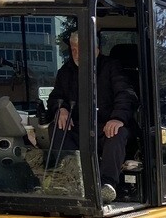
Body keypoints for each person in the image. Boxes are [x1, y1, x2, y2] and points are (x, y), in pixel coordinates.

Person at [48, 31, 138, 203]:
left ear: (96, 50)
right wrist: (61, 109)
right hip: (79, 128)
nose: (76, 54)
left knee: (117, 132)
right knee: (57, 128)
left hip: (106, 126)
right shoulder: (65, 72)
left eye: (81, 49)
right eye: (73, 50)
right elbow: (55, 97)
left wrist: (117, 118)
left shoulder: (111, 66)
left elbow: (126, 94)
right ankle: (72, 179)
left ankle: (106, 184)